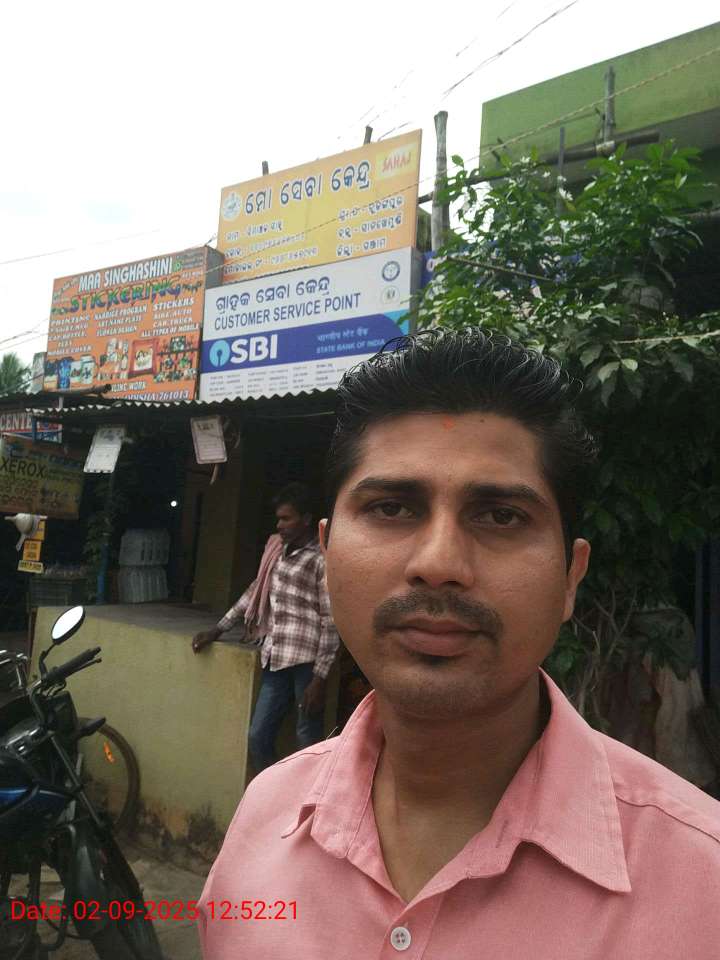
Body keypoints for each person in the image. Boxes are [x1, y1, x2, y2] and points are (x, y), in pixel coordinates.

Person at [197, 330, 720, 959]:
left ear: (570, 578)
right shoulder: (263, 818)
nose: (439, 564)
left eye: (500, 516)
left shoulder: (703, 881)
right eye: (392, 508)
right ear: (329, 556)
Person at [192, 482, 339, 771]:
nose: (279, 525)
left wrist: (320, 678)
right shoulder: (276, 552)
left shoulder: (320, 560)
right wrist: (218, 630)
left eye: (286, 518)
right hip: (275, 657)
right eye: (278, 518)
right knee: (258, 736)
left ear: (306, 519)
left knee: (307, 740)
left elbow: (330, 619)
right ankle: (274, 791)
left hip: (307, 662)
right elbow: (254, 592)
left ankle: (308, 798)